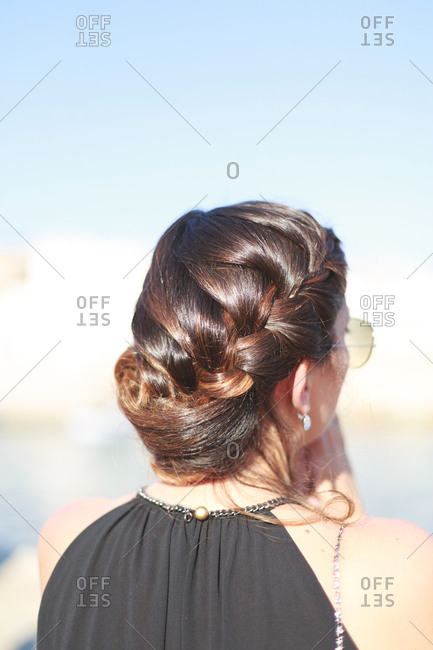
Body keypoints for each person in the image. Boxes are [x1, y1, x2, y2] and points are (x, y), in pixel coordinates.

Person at [36, 201, 433, 649]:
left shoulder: (67, 536)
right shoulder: (396, 567)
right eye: (347, 339)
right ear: (302, 384)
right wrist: (351, 522)